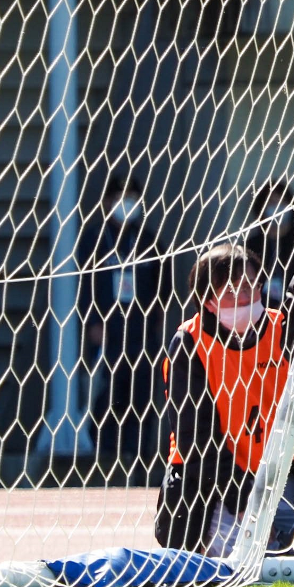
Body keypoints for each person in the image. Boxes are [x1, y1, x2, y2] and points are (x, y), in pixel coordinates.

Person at [154, 242, 294, 557]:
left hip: (285, 480)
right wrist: (243, 503)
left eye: (252, 288)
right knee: (230, 560)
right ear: (208, 300)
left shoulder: (284, 328)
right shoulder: (189, 343)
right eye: (232, 291)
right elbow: (196, 441)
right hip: (215, 485)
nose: (245, 298)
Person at [77, 172, 173, 472]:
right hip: (107, 326)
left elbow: (163, 284)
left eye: (131, 199)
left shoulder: (148, 240)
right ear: (107, 203)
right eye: (119, 198)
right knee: (107, 390)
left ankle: (137, 453)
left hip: (141, 328)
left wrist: (157, 319)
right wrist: (92, 321)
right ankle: (104, 452)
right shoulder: (94, 238)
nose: (126, 205)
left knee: (141, 390)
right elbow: (83, 284)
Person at [245, 180, 294, 336]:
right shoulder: (251, 246)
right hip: (259, 320)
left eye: (282, 202)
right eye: (271, 203)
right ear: (261, 209)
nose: (277, 208)